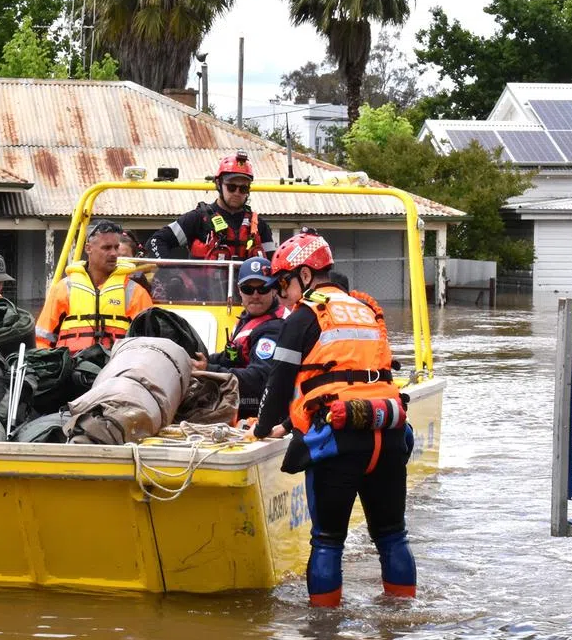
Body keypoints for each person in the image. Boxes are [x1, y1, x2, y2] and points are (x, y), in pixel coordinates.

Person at [250, 230, 416, 608]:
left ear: (305, 276)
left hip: (340, 439)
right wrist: (290, 425)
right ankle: (402, 622)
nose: (281, 294)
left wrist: (261, 429)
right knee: (392, 537)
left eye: (284, 283)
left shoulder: (304, 316)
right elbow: (351, 378)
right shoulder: (366, 310)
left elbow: (278, 384)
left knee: (327, 540)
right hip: (387, 432)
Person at [190, 257, 286, 419]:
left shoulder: (273, 330)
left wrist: (209, 371)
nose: (255, 295)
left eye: (262, 289)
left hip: (255, 408)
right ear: (239, 290)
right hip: (239, 400)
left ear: (274, 290)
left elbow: (259, 379)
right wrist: (201, 359)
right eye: (248, 289)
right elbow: (231, 356)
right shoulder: (246, 319)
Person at [36, 220, 153, 353]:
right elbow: (42, 339)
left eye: (116, 247)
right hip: (71, 369)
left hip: (117, 369)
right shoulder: (63, 289)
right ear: (88, 248)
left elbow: (149, 344)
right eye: (107, 248)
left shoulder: (135, 292)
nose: (114, 253)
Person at [146, 149, 275, 262]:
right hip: (203, 290)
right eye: (231, 187)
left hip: (247, 290)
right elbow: (155, 242)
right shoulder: (197, 219)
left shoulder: (260, 226)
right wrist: (171, 273)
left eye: (243, 189)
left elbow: (272, 264)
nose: (237, 192)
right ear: (218, 184)